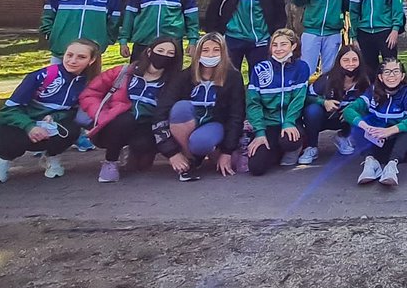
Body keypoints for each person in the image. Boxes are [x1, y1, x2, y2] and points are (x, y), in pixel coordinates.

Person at [0, 39, 101, 184]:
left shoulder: (88, 82)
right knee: (9, 138)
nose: (73, 61)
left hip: (51, 126)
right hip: (22, 125)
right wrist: (30, 126)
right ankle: (3, 161)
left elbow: (73, 111)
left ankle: (52, 156)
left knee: (72, 128)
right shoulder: (41, 76)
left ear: (92, 60)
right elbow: (9, 110)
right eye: (69, 55)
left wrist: (54, 116)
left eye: (81, 57)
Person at [79, 36, 182, 183]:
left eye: (170, 53)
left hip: (147, 127)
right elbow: (90, 93)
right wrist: (101, 115)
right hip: (115, 123)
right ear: (149, 52)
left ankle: (131, 150)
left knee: (142, 165)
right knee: (125, 119)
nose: (164, 55)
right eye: (160, 50)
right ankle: (111, 161)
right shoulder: (124, 72)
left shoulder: (174, 81)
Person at [153, 32, 245, 182]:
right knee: (180, 108)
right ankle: (189, 161)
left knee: (201, 142)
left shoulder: (233, 77)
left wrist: (227, 152)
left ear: (223, 53)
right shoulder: (183, 76)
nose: (210, 55)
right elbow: (161, 111)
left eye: (216, 50)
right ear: (198, 52)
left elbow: (236, 115)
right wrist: (172, 153)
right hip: (186, 123)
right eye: (205, 50)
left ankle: (206, 152)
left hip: (214, 124)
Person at [346, 58, 407, 186]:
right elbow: (349, 110)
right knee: (359, 122)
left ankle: (392, 167)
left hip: (400, 148)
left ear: (402, 75)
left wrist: (390, 130)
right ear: (380, 77)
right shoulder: (371, 91)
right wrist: (366, 127)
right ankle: (370, 162)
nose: (391, 76)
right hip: (376, 143)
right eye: (387, 72)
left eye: (395, 71)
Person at [245, 28, 311, 175]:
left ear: (293, 46)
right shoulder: (259, 69)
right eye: (275, 45)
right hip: (268, 124)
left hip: (291, 122)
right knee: (256, 168)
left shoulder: (301, 67)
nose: (278, 49)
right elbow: (253, 103)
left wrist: (289, 122)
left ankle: (297, 146)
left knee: (289, 141)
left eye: (283, 44)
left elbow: (298, 99)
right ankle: (274, 150)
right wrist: (260, 133)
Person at [300, 43, 371, 163]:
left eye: (354, 60)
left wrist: (353, 108)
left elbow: (373, 100)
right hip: (326, 117)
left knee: (364, 111)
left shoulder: (366, 79)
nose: (350, 64)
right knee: (312, 110)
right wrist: (323, 102)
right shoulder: (327, 79)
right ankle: (311, 147)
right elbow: (306, 96)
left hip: (348, 119)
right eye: (346, 60)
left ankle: (344, 136)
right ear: (339, 62)